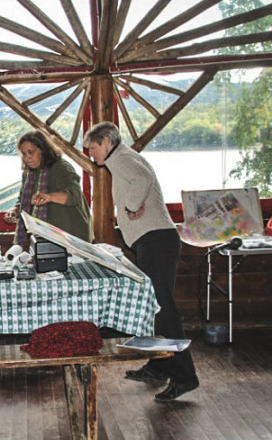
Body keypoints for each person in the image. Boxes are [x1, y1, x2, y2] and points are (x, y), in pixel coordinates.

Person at [83, 121, 199, 402]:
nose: (91, 154)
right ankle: (159, 365)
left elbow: (143, 181)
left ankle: (184, 377)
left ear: (107, 142)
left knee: (162, 308)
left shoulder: (120, 158)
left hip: (156, 239)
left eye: (93, 148)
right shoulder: (123, 157)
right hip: (153, 239)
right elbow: (143, 179)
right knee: (152, 306)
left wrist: (132, 207)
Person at [4, 130, 93, 249]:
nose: (27, 157)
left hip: (72, 238)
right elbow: (23, 201)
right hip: (46, 237)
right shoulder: (28, 173)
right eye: (24, 153)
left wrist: (49, 197)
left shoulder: (61, 167)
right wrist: (14, 210)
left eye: (31, 152)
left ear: (43, 150)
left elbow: (75, 195)